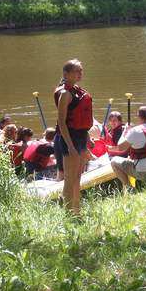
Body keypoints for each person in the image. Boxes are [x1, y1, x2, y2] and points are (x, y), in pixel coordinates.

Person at [53, 59, 94, 216]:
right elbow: (62, 123)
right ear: (66, 74)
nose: (80, 74)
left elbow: (80, 118)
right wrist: (70, 146)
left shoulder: (77, 90)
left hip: (81, 137)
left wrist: (88, 137)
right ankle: (69, 214)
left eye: (81, 71)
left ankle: (77, 210)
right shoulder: (65, 94)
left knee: (77, 177)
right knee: (69, 179)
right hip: (69, 140)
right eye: (76, 71)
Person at [109, 106, 146, 189]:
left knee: (114, 161)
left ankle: (129, 187)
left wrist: (125, 131)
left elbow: (120, 147)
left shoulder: (135, 130)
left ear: (138, 116)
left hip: (142, 172)